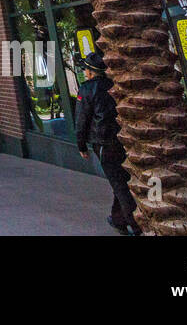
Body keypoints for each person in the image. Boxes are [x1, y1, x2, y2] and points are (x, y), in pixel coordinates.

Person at [76, 52, 141, 236]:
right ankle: (118, 218)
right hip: (121, 139)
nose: (85, 72)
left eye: (86, 69)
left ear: (90, 72)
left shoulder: (87, 90)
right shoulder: (112, 85)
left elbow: (81, 120)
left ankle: (135, 225)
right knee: (120, 179)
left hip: (103, 141)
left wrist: (81, 145)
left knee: (119, 183)